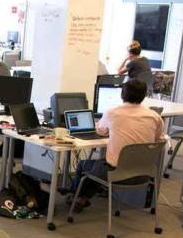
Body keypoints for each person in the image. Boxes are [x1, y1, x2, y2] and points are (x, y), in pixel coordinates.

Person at [68, 79, 165, 212]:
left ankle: (76, 198)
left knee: (84, 165)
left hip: (116, 174)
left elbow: (101, 131)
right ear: (144, 96)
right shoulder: (154, 116)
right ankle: (82, 199)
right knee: (99, 166)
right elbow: (159, 139)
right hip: (143, 174)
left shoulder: (113, 112)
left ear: (122, 94)